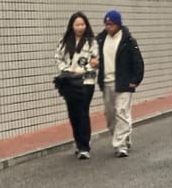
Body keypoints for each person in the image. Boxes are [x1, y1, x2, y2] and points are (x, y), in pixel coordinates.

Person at [97, 10, 145, 157]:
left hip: (124, 83)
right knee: (110, 115)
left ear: (118, 24)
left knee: (121, 112)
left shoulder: (128, 40)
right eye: (106, 24)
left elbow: (137, 61)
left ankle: (120, 145)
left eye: (111, 24)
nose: (108, 27)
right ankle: (124, 135)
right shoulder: (99, 40)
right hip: (106, 83)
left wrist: (135, 80)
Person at [54, 11, 99, 160]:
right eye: (77, 24)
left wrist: (82, 70)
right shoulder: (64, 42)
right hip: (69, 81)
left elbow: (94, 62)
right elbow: (58, 58)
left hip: (86, 81)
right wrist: (66, 70)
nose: (80, 27)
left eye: (82, 24)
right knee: (72, 113)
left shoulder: (91, 42)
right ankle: (78, 142)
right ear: (72, 26)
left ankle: (84, 146)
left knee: (82, 111)